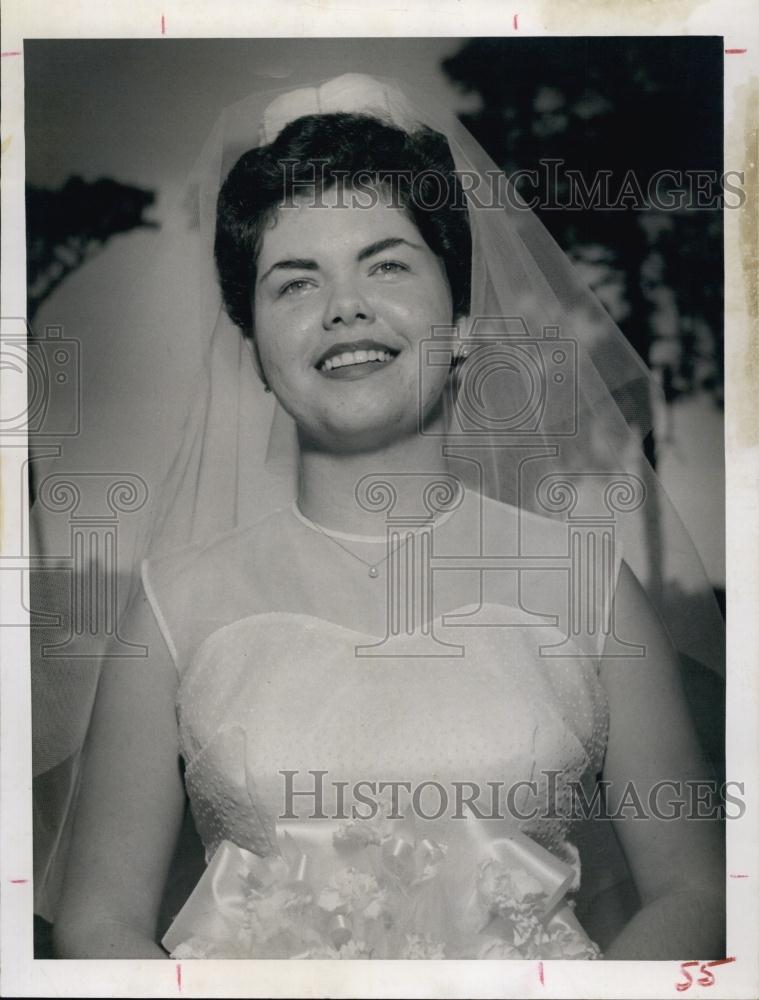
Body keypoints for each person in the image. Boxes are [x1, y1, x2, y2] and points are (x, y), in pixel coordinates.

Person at [33, 72, 725, 960]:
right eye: (293, 281)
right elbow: (99, 923)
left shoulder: (590, 590)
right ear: (251, 345)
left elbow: (695, 891)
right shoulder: (169, 608)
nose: (344, 306)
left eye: (387, 263)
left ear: (464, 322)